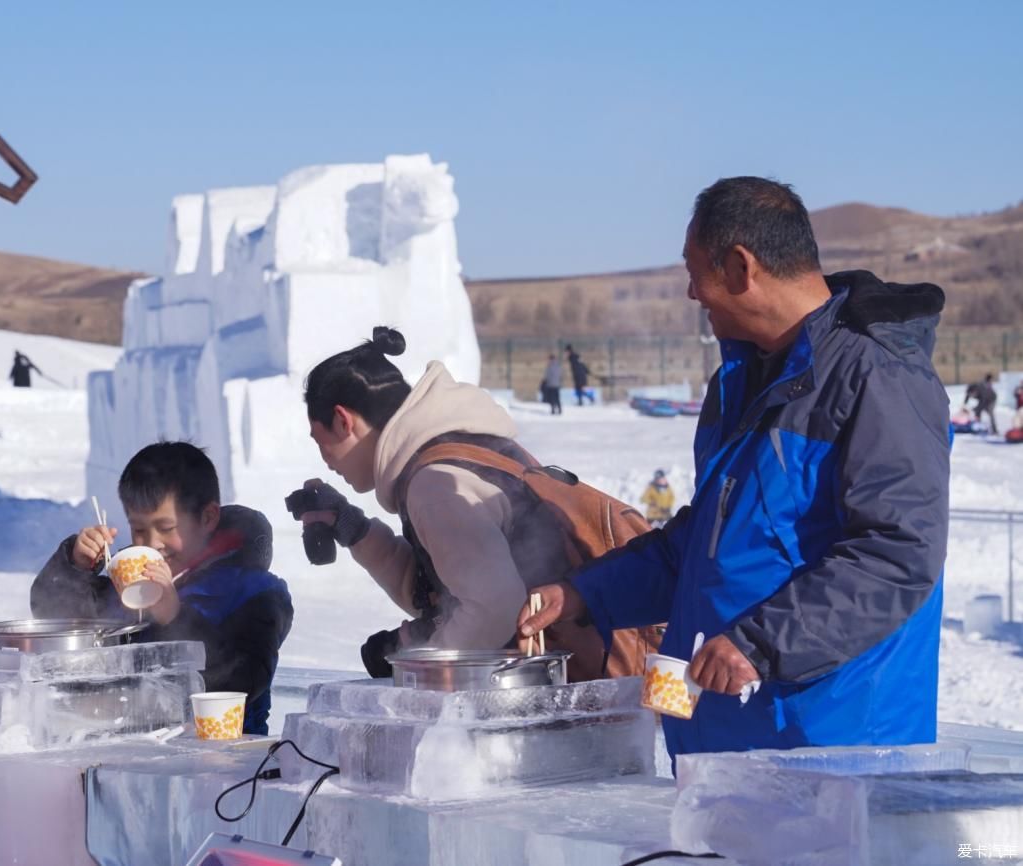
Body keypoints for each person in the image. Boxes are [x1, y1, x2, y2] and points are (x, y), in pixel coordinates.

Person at [519, 177, 950, 758]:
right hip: (719, 736)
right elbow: (706, 544)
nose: (693, 294)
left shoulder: (879, 379)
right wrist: (583, 594)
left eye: (694, 271)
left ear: (741, 267)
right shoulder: (742, 377)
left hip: (826, 745)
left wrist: (760, 643)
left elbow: (897, 554)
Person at [289, 327, 653, 679]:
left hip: (560, 693)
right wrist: (355, 530)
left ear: (342, 420)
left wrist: (414, 661)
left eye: (322, 443)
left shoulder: (436, 484)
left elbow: (492, 610)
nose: (327, 462)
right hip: (572, 677)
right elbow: (452, 589)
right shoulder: (465, 448)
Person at [31, 442, 292, 735]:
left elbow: (243, 679)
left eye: (166, 528)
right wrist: (75, 566)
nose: (151, 543)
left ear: (207, 518)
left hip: (223, 765)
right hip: (126, 751)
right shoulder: (130, 585)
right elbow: (53, 612)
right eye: (139, 529)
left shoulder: (253, 593)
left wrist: (175, 617)